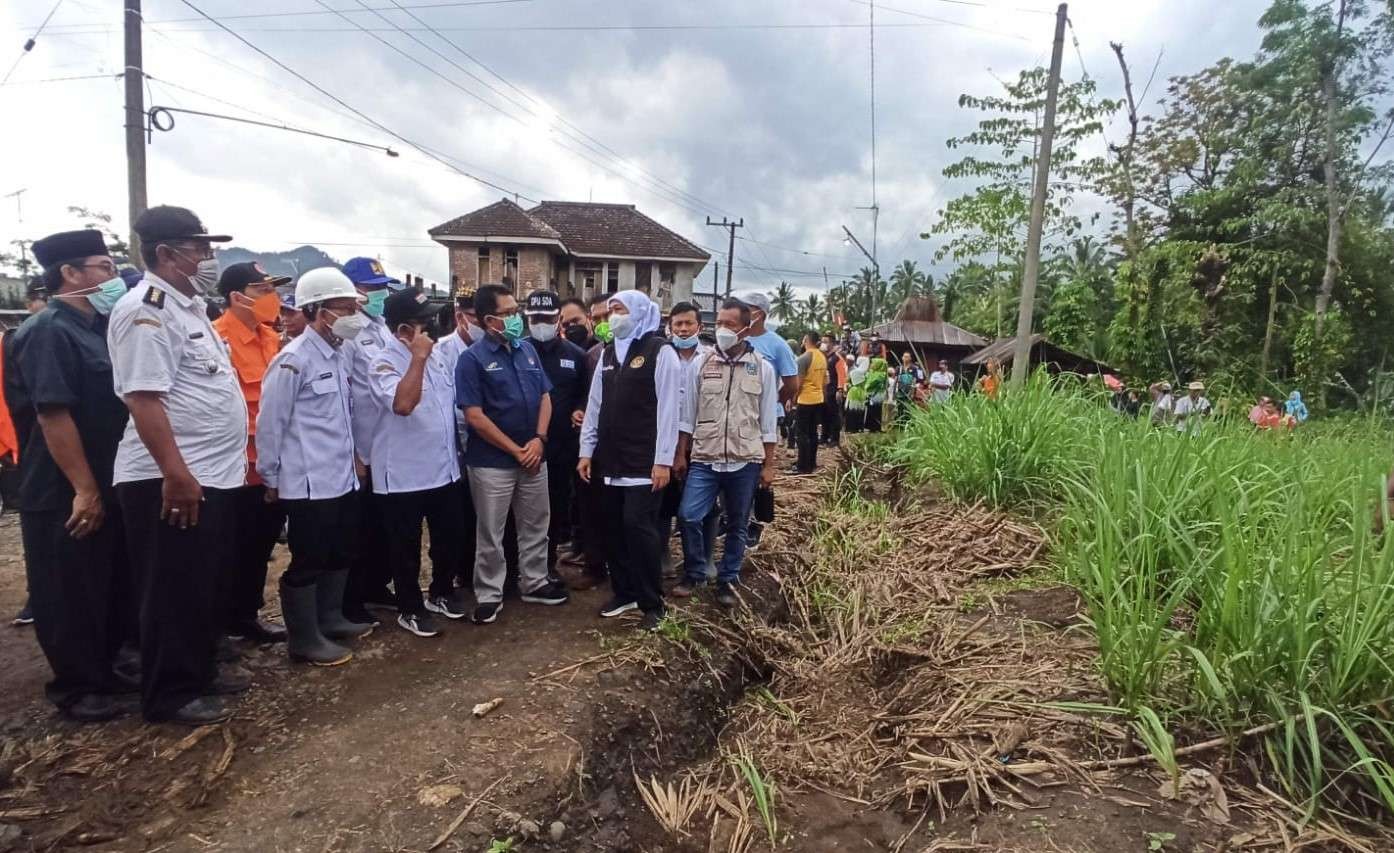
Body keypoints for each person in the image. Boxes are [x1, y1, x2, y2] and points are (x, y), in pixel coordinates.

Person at [109, 205, 248, 725]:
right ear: (167, 254)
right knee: (171, 587)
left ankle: (200, 671)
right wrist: (176, 473)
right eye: (200, 250)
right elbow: (144, 399)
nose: (209, 259)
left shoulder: (189, 308)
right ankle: (170, 693)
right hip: (169, 478)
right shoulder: (145, 309)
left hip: (212, 472)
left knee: (202, 582)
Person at [8, 230, 135, 721]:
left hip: (106, 474)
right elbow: (53, 415)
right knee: (67, 587)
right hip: (63, 485)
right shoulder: (46, 331)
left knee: (107, 579)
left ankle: (107, 668)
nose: (112, 276)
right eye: (103, 266)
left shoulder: (99, 325)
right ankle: (78, 687)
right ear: (70, 273)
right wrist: (84, 488)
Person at [257, 267, 372, 666]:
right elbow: (271, 423)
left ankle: (331, 618)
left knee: (340, 549)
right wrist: (269, 477)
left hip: (340, 476)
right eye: (344, 308)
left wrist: (358, 459)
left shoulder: (341, 354)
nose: (353, 315)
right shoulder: (292, 361)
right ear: (318, 312)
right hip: (307, 481)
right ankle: (304, 639)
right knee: (309, 557)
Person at [456, 284, 569, 625]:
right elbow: (474, 416)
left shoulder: (527, 352)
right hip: (492, 463)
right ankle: (490, 592)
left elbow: (546, 397)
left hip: (534, 455)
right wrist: (515, 450)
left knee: (536, 524)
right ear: (490, 320)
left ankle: (534, 581)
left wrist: (539, 439)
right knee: (491, 530)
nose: (516, 318)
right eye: (508, 313)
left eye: (516, 311)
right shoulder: (472, 359)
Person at [578, 290, 681, 631]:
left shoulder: (659, 351)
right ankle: (624, 592)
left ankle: (652, 601)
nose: (611, 318)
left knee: (639, 529)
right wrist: (586, 451)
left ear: (637, 312)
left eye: (618, 310)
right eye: (609, 313)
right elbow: (595, 405)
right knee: (612, 529)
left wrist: (663, 460)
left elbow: (669, 408)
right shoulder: (608, 353)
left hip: (644, 461)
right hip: (610, 460)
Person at [367, 287, 465, 637]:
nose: (433, 329)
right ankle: (410, 607)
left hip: (443, 467)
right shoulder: (382, 362)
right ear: (404, 331)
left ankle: (440, 592)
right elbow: (403, 404)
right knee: (405, 548)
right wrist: (418, 359)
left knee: (447, 538)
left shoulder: (435, 356)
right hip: (403, 474)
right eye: (425, 324)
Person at [672, 299, 778, 607]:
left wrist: (768, 466)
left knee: (737, 523)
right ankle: (694, 572)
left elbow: (768, 423)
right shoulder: (702, 364)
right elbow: (687, 416)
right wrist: (681, 454)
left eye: (730, 325)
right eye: (719, 323)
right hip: (705, 458)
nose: (722, 330)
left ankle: (728, 579)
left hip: (745, 459)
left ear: (746, 329)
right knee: (689, 515)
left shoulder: (762, 369)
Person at [212, 262, 290, 645]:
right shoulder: (217, 340)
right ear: (236, 297)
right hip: (234, 468)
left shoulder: (271, 338)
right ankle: (219, 625)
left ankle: (246, 615)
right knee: (227, 549)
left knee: (259, 546)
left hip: (270, 465)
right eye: (262, 290)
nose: (270, 298)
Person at [339, 256, 403, 622]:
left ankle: (378, 585)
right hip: (362, 444)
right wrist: (354, 453)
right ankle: (353, 600)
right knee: (357, 529)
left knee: (383, 526)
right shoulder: (348, 335)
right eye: (371, 288)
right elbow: (345, 396)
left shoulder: (380, 328)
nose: (379, 295)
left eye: (381, 288)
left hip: (387, 442)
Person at [522, 289, 589, 578]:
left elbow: (585, 396)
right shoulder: (518, 351)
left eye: (546, 317)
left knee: (554, 511)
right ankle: (516, 569)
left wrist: (578, 409)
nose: (541, 323)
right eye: (535, 317)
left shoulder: (577, 356)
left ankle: (546, 567)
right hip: (522, 448)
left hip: (561, 450)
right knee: (519, 515)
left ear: (558, 318)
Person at [732, 292, 798, 547]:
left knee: (757, 469)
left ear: (759, 313)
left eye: (746, 309)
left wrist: (773, 402)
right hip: (736, 415)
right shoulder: (735, 339)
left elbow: (792, 383)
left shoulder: (776, 344)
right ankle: (733, 517)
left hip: (762, 419)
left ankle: (752, 522)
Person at [662, 301, 719, 581]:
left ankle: (704, 559)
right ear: (669, 327)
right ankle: (664, 557)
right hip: (663, 439)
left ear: (700, 326)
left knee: (704, 504)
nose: (683, 330)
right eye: (678, 325)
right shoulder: (660, 355)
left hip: (703, 441)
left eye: (688, 324)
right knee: (662, 500)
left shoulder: (711, 358)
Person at [7, 280, 49, 628]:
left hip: (31, 444)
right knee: (42, 525)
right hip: (28, 447)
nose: (41, 305)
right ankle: (39, 599)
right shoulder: (29, 336)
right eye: (38, 299)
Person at [435, 290, 482, 592]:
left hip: (484, 444)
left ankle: (476, 570)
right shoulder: (441, 352)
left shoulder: (491, 349)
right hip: (452, 445)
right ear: (460, 317)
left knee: (482, 516)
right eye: (475, 318)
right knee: (456, 518)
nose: (480, 324)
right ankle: (458, 574)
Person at [790, 332, 827, 475]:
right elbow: (825, 381)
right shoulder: (822, 357)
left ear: (806, 340)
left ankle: (802, 466)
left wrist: (793, 398)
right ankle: (811, 463)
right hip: (818, 399)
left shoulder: (804, 358)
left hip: (805, 400)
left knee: (801, 434)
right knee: (812, 433)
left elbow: (798, 383)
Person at [821, 341, 846, 446]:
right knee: (824, 415)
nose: (824, 344)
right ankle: (824, 437)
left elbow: (842, 374)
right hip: (825, 390)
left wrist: (840, 389)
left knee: (834, 415)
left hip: (833, 390)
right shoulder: (824, 357)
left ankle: (835, 438)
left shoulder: (837, 358)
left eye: (826, 342)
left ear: (832, 344)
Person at [894, 351, 925, 424]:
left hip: (909, 391)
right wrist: (894, 391)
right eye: (904, 356)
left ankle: (907, 423)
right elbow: (896, 380)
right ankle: (899, 423)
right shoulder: (899, 368)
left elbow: (914, 380)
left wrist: (912, 392)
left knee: (908, 407)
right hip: (900, 391)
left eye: (907, 356)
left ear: (910, 358)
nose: (905, 358)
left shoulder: (913, 368)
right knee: (899, 407)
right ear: (902, 358)